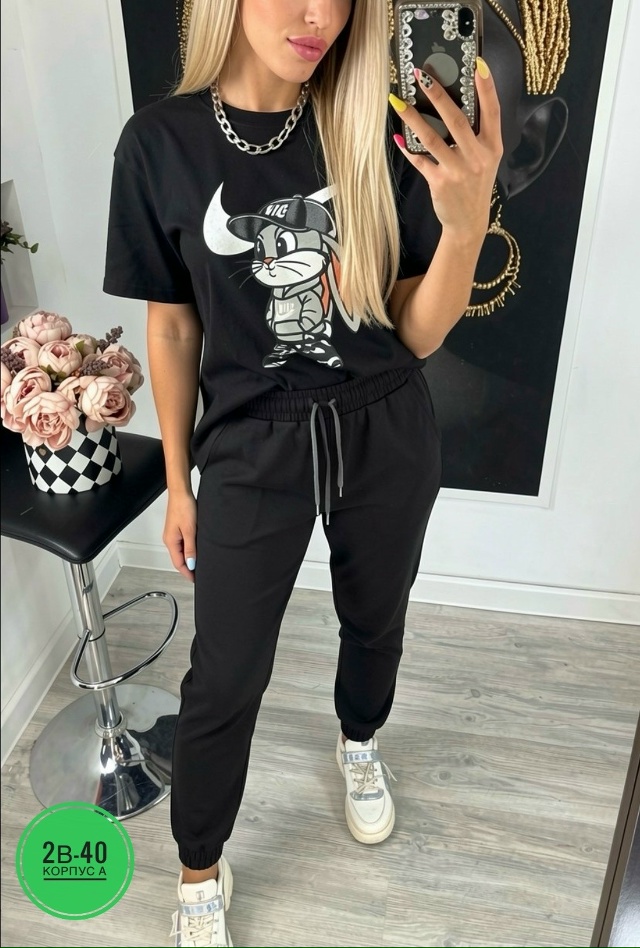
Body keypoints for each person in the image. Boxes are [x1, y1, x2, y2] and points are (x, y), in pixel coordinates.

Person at [103, 1, 501, 944]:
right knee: (225, 674)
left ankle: (360, 741)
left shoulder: (375, 127)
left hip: (384, 425)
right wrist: (180, 483)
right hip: (250, 444)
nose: (318, 13)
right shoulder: (158, 143)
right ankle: (200, 868)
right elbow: (172, 326)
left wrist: (466, 224)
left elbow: (415, 333)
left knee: (376, 619)